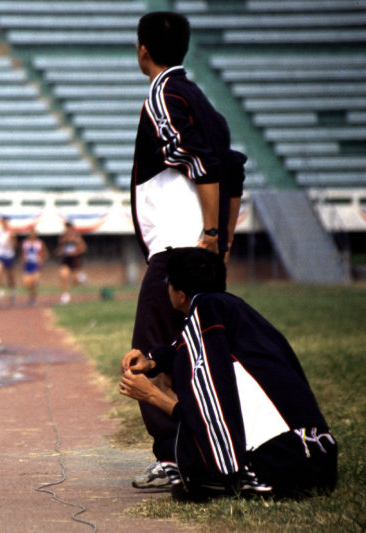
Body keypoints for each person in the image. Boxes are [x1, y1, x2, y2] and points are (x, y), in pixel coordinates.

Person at [125, 11, 247, 490]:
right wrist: (223, 239)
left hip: (176, 253)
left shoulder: (163, 94)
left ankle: (178, 454)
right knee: (192, 350)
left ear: (143, 50)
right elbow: (231, 167)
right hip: (201, 252)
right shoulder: (203, 100)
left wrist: (213, 236)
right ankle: (205, 446)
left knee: (148, 353)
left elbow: (201, 162)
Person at [120, 247, 337, 500]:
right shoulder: (232, 308)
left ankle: (241, 474)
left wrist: (152, 396)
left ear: (179, 294)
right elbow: (181, 347)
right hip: (319, 454)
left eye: (168, 282)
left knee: (182, 458)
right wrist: (151, 361)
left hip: (282, 466)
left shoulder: (204, 315)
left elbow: (210, 411)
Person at [56, 221, 87, 304]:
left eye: (69, 228)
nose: (67, 230)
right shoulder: (62, 238)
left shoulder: (77, 238)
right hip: (65, 260)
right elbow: (58, 250)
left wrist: (75, 252)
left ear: (71, 229)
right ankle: (65, 295)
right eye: (66, 228)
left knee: (75, 282)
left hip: (75, 261)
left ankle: (82, 278)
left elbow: (83, 248)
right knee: (63, 275)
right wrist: (61, 251)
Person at [0, 216, 17, 305]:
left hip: (9, 256)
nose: (4, 224)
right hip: (0, 255)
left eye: (5, 222)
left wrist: (11, 241)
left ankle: (12, 290)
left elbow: (14, 245)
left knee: (10, 276)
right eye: (3, 222)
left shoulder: (10, 233)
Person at [20, 227, 48, 306]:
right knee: (27, 283)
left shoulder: (39, 243)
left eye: (34, 233)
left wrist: (41, 259)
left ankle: (32, 298)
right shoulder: (25, 243)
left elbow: (45, 253)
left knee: (34, 281)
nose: (32, 235)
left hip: (36, 264)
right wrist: (23, 260)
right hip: (27, 265)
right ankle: (33, 293)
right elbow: (22, 253)